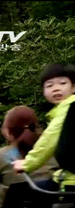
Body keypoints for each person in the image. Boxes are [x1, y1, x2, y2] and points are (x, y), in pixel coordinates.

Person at [12, 63, 75, 192]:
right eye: (50, 85)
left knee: (18, 193)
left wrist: (28, 163)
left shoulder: (70, 108)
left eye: (62, 83)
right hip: (66, 176)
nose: (56, 89)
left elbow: (49, 139)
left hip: (71, 181)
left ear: (74, 87)